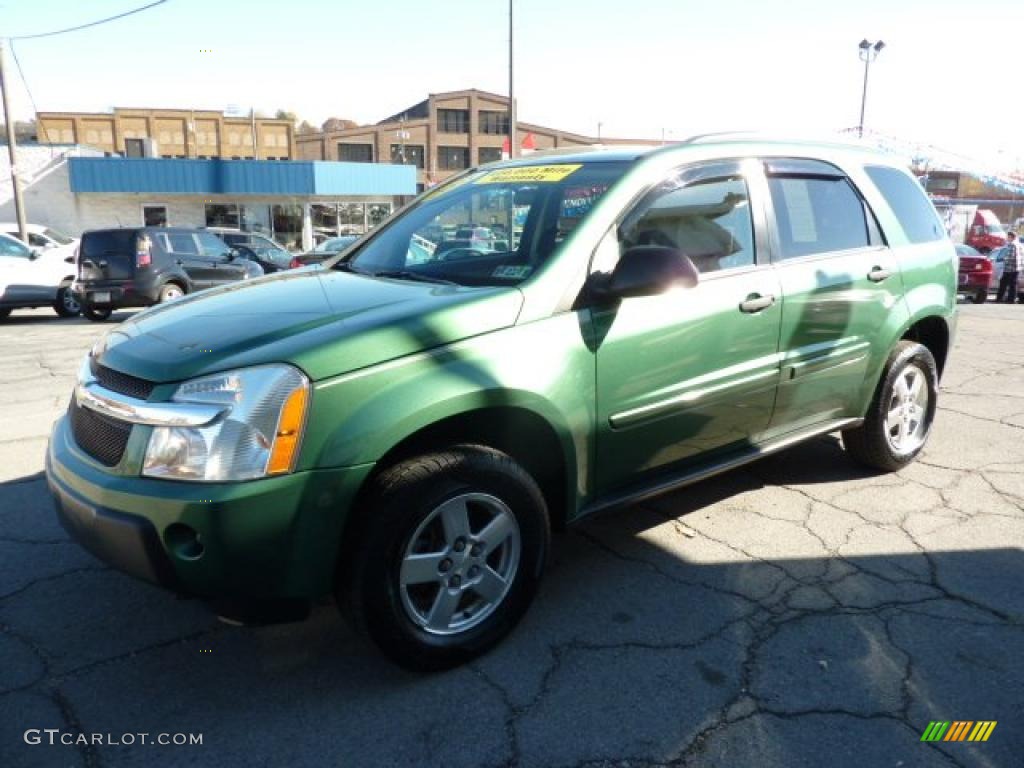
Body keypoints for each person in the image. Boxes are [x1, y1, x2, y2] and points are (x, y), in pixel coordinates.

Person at [996, 231, 1022, 304]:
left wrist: (1003, 259)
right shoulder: (1019, 245)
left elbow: (1010, 256)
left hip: (1009, 268)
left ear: (1012, 237)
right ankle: (1011, 299)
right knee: (1013, 284)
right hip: (1017, 267)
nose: (1007, 238)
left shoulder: (1012, 245)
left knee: (1004, 283)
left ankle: (1001, 299)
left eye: (1008, 237)